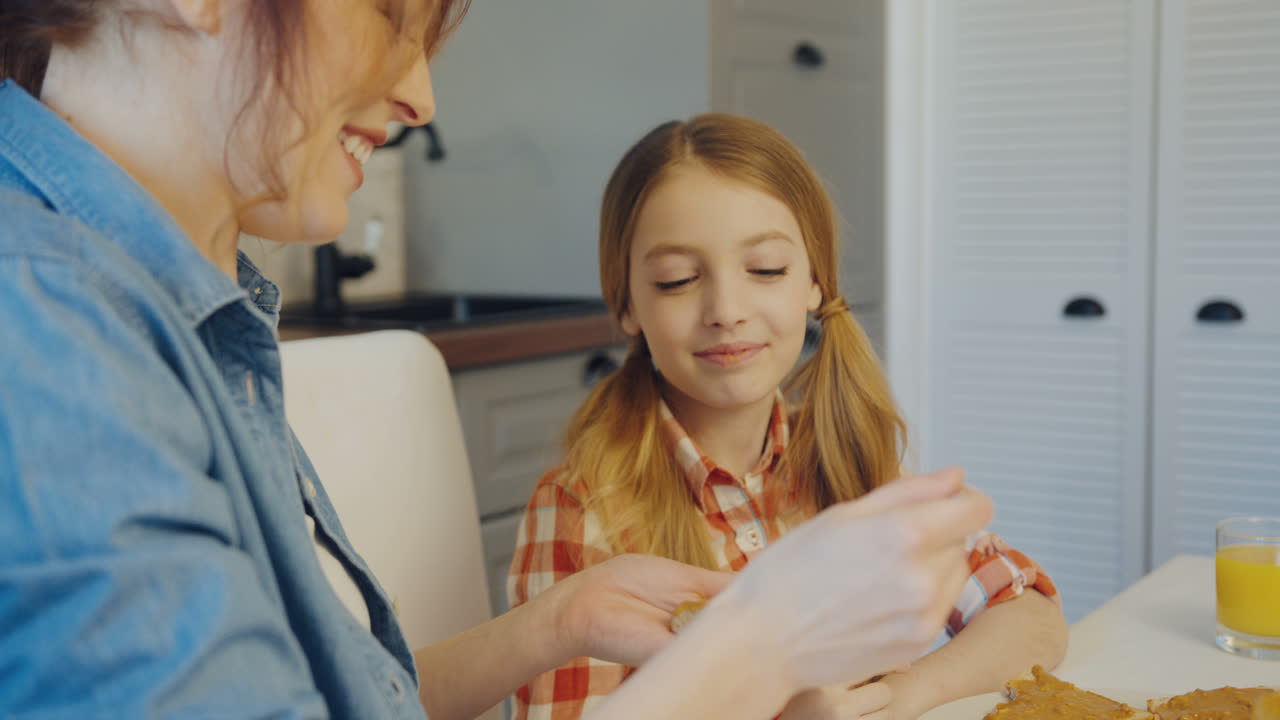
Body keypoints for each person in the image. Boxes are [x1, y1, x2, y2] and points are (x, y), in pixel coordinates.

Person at [0, 2, 995, 719]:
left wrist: (558, 623)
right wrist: (762, 645)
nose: (421, 95)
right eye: (393, 15)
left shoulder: (156, 306)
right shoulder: (46, 329)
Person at [508, 114, 1069, 720]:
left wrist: (899, 697)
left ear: (813, 282)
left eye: (766, 269)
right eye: (677, 280)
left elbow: (1029, 612)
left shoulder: (849, 460)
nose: (726, 310)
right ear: (627, 305)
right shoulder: (580, 508)